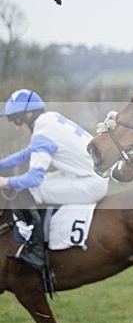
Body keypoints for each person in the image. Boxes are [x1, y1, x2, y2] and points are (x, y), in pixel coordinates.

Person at [0, 89, 109, 270]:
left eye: (16, 120)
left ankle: (36, 251)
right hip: (86, 175)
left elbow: (34, 179)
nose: (16, 127)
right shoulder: (49, 119)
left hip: (89, 182)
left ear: (29, 114)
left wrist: (6, 182)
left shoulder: (42, 133)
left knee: (28, 189)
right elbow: (27, 154)